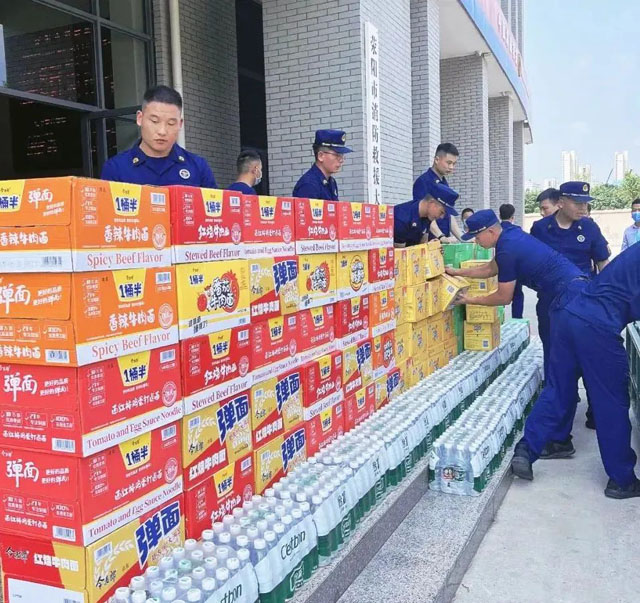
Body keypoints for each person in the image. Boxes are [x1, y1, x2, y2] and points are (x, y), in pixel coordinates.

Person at [511, 242, 640, 498]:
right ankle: (622, 480)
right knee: (611, 401)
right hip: (598, 323)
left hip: (570, 311)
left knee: (558, 389)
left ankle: (526, 449)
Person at [530, 181, 609, 434]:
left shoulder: (590, 227)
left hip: (583, 304)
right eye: (578, 203)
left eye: (586, 203)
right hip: (551, 304)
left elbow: (603, 264)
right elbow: (531, 263)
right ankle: (561, 413)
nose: (583, 208)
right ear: (561, 202)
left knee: (589, 356)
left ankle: (595, 410)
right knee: (555, 358)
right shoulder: (541, 228)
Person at [101, 85, 217, 187]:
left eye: (171, 123)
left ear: (180, 124)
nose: (162, 131)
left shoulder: (198, 167)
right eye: (154, 121)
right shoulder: (116, 168)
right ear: (140, 118)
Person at [413, 143, 464, 243]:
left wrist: (462, 238)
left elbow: (449, 214)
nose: (451, 167)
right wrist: (441, 237)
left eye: (454, 164)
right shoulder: (423, 182)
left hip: (444, 239)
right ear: (437, 160)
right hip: (430, 241)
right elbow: (424, 214)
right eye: (449, 163)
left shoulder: (443, 182)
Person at [393, 181, 459, 247]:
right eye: (441, 212)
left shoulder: (427, 216)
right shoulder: (402, 218)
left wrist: (430, 246)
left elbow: (422, 244)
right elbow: (400, 251)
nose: (442, 217)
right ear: (431, 203)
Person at [292, 129, 352, 200]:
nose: (341, 160)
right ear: (320, 156)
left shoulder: (331, 182)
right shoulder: (309, 185)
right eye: (336, 155)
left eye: (342, 155)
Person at [498, 203, 524, 319]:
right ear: (513, 217)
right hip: (515, 266)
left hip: (499, 265)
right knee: (517, 294)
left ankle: (499, 316)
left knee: (499, 294)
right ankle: (517, 319)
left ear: (500, 216)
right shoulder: (517, 230)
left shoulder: (497, 230)